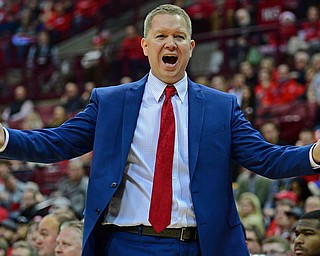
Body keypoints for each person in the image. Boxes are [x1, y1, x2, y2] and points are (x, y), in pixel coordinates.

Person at [2, 3, 320, 255]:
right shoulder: (110, 102)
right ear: (144, 45)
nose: (171, 43)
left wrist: (314, 153)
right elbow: (56, 143)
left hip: (199, 245)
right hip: (126, 243)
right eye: (161, 36)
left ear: (192, 46)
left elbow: (268, 159)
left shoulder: (221, 107)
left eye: (179, 37)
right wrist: (5, 138)